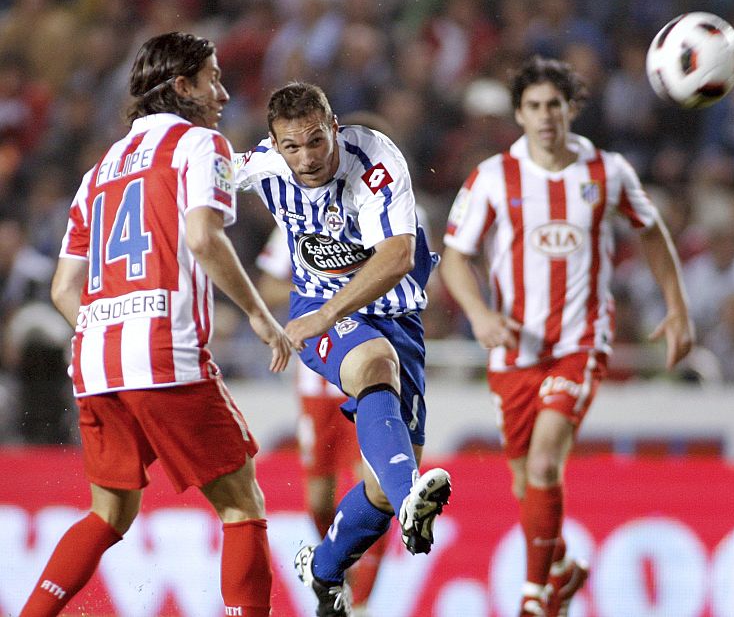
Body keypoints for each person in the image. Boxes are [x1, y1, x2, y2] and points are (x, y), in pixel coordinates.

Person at [19, 31, 292, 617]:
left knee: (109, 512)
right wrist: (260, 316)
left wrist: (109, 322)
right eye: (212, 78)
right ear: (182, 86)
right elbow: (201, 236)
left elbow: (64, 289)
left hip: (97, 363)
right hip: (166, 355)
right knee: (243, 504)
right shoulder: (200, 145)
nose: (222, 92)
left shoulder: (98, 171)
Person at [438, 55, 694, 617]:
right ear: (519, 114)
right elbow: (454, 259)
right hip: (513, 347)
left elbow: (652, 234)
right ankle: (561, 567)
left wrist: (677, 309)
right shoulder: (492, 177)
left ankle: (535, 595)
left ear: (571, 109)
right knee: (524, 481)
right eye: (534, 106)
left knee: (545, 464)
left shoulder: (608, 171)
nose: (546, 115)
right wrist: (480, 315)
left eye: (555, 104)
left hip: (581, 341)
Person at [235, 81, 451, 617]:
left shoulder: (376, 161)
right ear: (273, 143)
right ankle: (410, 502)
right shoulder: (259, 167)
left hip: (394, 316)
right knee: (374, 365)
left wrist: (325, 315)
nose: (307, 158)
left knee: (377, 488)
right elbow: (182, 186)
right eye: (292, 146)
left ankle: (327, 566)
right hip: (325, 317)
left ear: (334, 127)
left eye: (315, 141)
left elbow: (399, 256)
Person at [255, 226, 387, 617]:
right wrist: (320, 295)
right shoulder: (293, 219)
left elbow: (406, 276)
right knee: (318, 499)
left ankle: (362, 603)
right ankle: (337, 574)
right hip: (317, 381)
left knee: (376, 490)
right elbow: (269, 288)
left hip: (371, 371)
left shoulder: (380, 212)